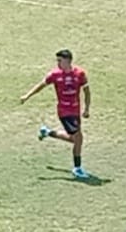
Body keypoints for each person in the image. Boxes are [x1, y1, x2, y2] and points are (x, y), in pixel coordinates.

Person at [24, 49, 93, 180]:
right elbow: (41, 85)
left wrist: (87, 109)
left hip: (76, 111)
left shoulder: (80, 74)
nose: (58, 63)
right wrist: (27, 96)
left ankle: (47, 132)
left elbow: (87, 91)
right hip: (64, 112)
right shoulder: (55, 75)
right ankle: (77, 168)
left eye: (60, 60)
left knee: (74, 140)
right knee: (78, 139)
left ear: (68, 61)